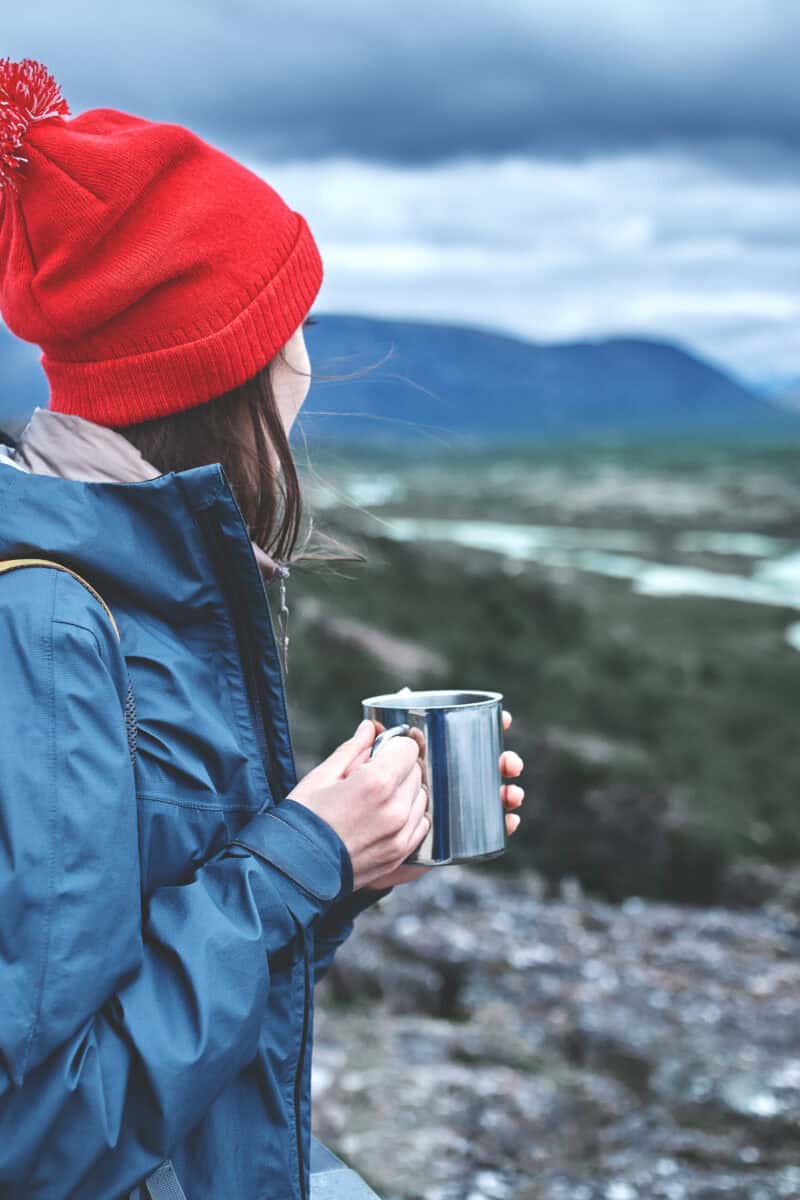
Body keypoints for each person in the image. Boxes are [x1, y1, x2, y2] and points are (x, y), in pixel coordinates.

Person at [0, 57, 525, 1200]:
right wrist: (296, 856)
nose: (304, 358)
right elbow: (39, 1135)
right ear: (225, 363)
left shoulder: (126, 581)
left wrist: (343, 858)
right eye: (288, 322)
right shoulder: (44, 626)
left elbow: (151, 961)